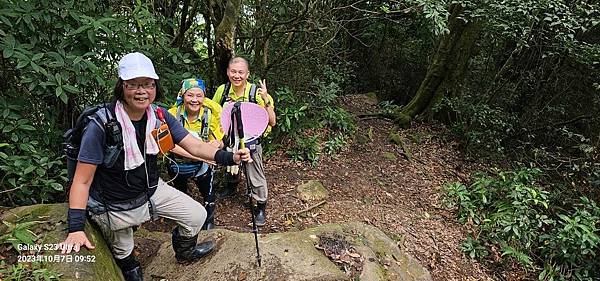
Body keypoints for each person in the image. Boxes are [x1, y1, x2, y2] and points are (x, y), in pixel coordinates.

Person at [59, 52, 250, 281]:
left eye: (148, 85)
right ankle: (130, 267)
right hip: (115, 201)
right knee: (124, 250)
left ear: (155, 86)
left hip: (150, 189)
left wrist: (231, 157)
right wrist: (76, 228)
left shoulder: (158, 115)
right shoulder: (101, 125)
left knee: (197, 215)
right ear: (121, 87)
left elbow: (194, 146)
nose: (142, 91)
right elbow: (82, 180)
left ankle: (184, 250)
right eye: (133, 85)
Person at [212, 57, 276, 226]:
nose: (237, 75)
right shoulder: (222, 91)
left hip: (251, 140)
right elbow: (215, 114)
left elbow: (272, 122)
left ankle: (261, 205)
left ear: (247, 74)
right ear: (227, 72)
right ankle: (231, 186)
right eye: (233, 71)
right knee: (229, 165)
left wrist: (266, 100)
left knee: (255, 174)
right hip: (230, 137)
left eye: (241, 72)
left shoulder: (256, 93)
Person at [167, 78, 223, 230]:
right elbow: (167, 146)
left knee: (208, 194)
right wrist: (200, 155)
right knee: (180, 193)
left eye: (199, 96)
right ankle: (183, 221)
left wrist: (218, 144)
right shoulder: (171, 115)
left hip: (203, 166)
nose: (194, 100)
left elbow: (218, 141)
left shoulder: (210, 116)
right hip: (177, 165)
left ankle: (209, 221)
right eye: (190, 95)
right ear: (183, 96)